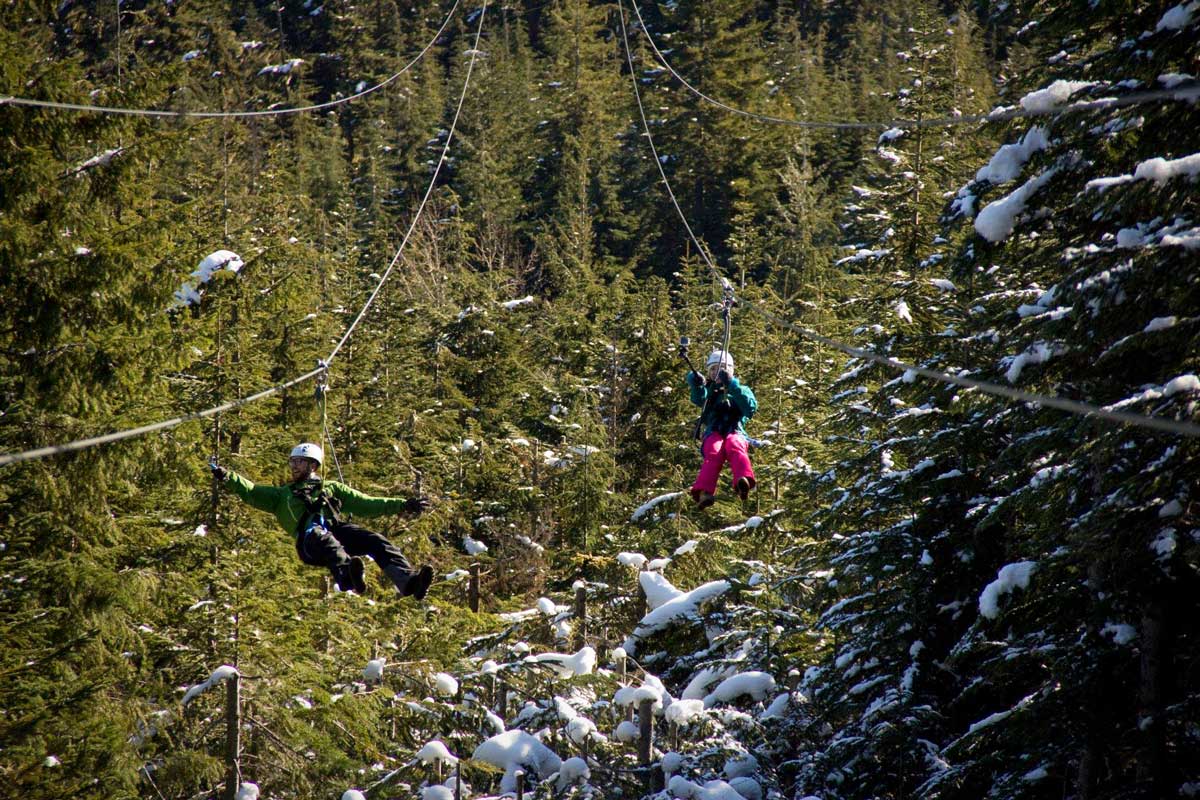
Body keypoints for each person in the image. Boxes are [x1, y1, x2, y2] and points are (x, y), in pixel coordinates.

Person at [210, 442, 435, 599]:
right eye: (293, 462)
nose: (294, 466)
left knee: (374, 540)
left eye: (300, 462)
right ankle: (347, 576)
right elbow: (251, 491)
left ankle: (408, 582)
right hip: (310, 543)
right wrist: (228, 476)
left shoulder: (330, 488)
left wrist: (403, 504)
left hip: (335, 533)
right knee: (321, 536)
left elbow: (366, 503)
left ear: (313, 466)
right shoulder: (282, 496)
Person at [685, 350, 758, 508]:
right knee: (713, 450)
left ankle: (743, 480)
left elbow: (749, 408)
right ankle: (704, 491)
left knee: (735, 445)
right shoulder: (709, 392)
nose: (717, 372)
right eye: (713, 369)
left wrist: (731, 385)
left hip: (735, 430)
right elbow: (699, 398)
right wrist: (695, 383)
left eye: (722, 368)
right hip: (714, 430)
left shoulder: (740, 389)